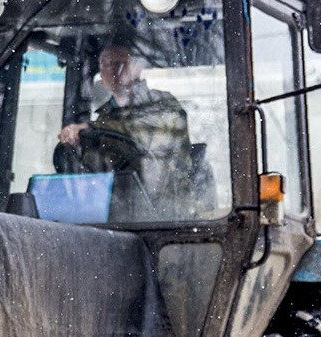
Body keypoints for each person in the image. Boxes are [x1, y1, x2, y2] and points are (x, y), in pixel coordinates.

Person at [56, 40, 208, 218]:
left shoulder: (162, 103)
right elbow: (99, 167)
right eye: (104, 64)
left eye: (119, 63)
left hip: (169, 215)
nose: (111, 70)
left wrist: (88, 127)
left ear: (138, 66)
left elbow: (142, 133)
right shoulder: (105, 116)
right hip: (121, 211)